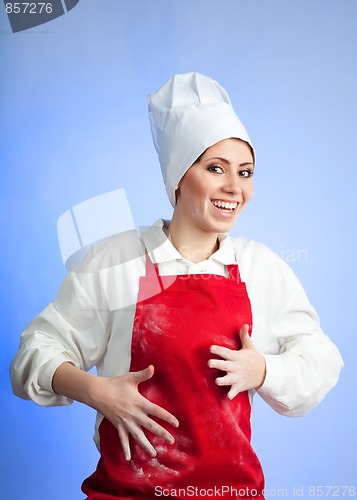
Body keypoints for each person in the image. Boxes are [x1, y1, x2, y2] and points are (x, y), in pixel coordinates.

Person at [10, 72, 343, 499]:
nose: (233, 187)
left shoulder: (259, 267)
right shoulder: (119, 260)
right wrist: (96, 391)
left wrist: (264, 370)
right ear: (179, 177)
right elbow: (33, 354)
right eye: (215, 168)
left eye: (245, 172)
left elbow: (322, 360)